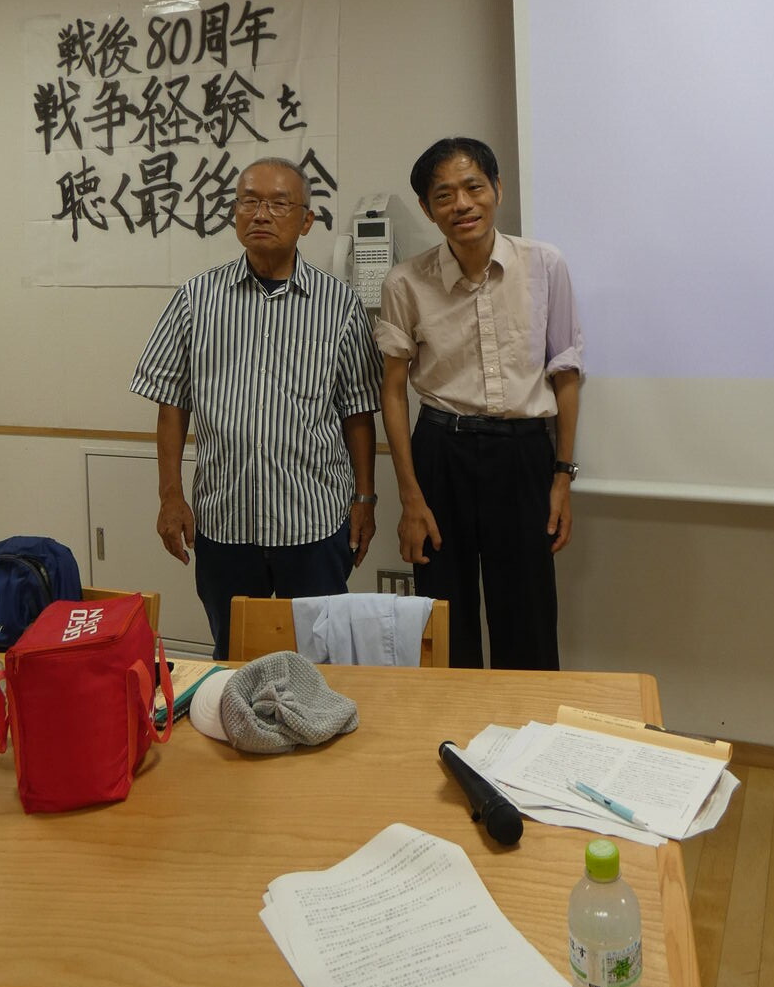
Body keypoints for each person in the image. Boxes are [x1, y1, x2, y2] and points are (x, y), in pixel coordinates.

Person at [130, 156, 382, 657]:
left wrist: (365, 498)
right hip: (225, 521)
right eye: (249, 201)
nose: (261, 214)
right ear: (234, 213)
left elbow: (357, 411)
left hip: (313, 520)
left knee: (318, 658)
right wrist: (170, 496)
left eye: (279, 203)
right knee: (234, 656)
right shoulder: (196, 298)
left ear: (306, 221)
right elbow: (171, 403)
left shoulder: (339, 305)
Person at [375, 137, 583, 669]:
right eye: (444, 195)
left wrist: (562, 477)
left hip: (522, 455)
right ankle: (451, 720)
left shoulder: (545, 265)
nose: (461, 204)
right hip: (441, 452)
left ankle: (527, 721)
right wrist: (410, 497)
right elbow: (393, 390)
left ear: (497, 190)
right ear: (427, 209)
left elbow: (566, 373)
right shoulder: (405, 281)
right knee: (444, 618)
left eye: (473, 187)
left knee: (528, 617)